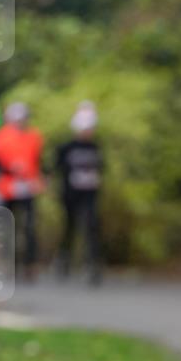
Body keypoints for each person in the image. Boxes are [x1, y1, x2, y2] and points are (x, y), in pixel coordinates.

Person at [0, 102, 44, 280]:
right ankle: (6, 262)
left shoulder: (34, 136)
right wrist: (11, 169)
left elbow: (37, 161)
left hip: (28, 187)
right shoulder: (0, 137)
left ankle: (30, 265)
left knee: (29, 227)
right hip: (7, 187)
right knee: (6, 227)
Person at [54, 101, 104, 285]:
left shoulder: (95, 147)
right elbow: (57, 169)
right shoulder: (67, 148)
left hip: (90, 194)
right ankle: (63, 259)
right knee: (70, 227)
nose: (87, 133)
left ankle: (92, 265)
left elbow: (100, 169)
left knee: (92, 227)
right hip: (70, 194)